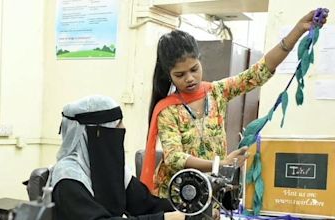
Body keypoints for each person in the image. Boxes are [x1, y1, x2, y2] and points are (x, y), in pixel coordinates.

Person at [141, 9, 329, 198]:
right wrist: (220, 164)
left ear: (200, 61)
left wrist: (298, 30)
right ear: (169, 75)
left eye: (194, 69)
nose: (190, 79)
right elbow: (174, 157)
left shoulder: (216, 92)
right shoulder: (168, 110)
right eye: (180, 75)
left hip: (212, 191)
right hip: (178, 197)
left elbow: (258, 73)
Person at [50, 94, 184, 220]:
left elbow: (146, 205)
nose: (122, 129)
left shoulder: (109, 168)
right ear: (96, 133)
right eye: (116, 125)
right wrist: (164, 219)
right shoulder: (67, 177)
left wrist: (189, 210)